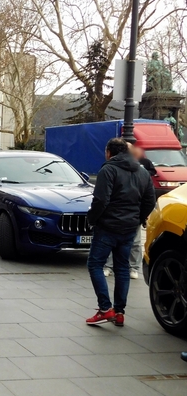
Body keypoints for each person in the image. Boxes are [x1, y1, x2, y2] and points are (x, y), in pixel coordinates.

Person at [85, 138, 155, 326]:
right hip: (129, 228)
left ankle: (105, 308)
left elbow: (100, 200)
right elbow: (149, 201)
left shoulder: (108, 170)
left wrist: (92, 219)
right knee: (122, 268)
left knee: (95, 265)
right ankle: (119, 312)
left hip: (107, 227)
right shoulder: (142, 172)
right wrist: (137, 219)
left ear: (109, 152)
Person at [103, 145, 156, 279]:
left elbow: (102, 197)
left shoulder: (140, 169)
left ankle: (129, 267)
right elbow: (150, 199)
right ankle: (117, 267)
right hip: (130, 216)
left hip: (124, 216)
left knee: (132, 243)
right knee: (130, 243)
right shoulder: (116, 169)